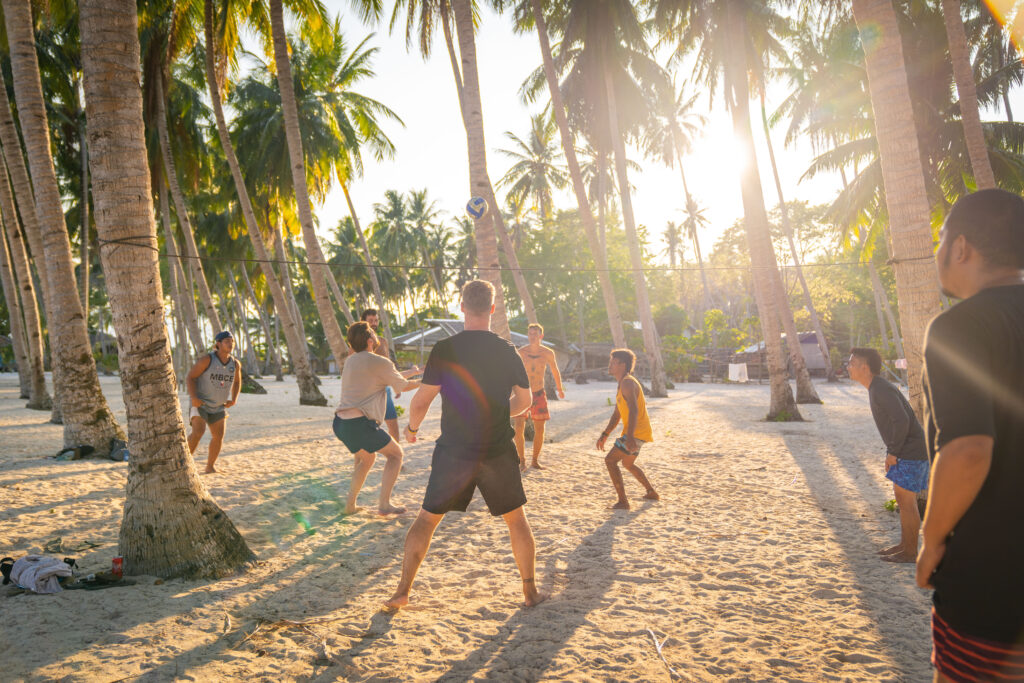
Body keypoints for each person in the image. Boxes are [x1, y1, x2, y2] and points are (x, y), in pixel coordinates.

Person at [916, 189, 1024, 681]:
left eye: (941, 239)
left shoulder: (961, 327)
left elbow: (966, 451)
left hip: (994, 581)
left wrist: (932, 538)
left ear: (960, 248)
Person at [385, 280, 544, 610]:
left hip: (454, 451)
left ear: (461, 307)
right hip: (497, 449)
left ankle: (402, 591)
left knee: (427, 520)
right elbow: (525, 401)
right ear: (492, 308)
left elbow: (421, 401)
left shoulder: (445, 349)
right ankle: (529, 591)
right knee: (517, 521)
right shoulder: (506, 351)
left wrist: (412, 429)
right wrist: (502, 412)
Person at [848, 347, 929, 563]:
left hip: (910, 451)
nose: (848, 367)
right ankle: (905, 545)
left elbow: (902, 420)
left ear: (864, 367)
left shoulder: (880, 389)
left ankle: (911, 552)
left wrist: (893, 452)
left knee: (907, 501)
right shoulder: (877, 387)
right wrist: (891, 451)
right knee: (903, 501)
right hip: (908, 449)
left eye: (851, 363)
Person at [335, 321, 420, 515]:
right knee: (396, 455)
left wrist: (413, 374)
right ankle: (384, 504)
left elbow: (390, 377)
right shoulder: (379, 362)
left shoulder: (351, 361)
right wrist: (426, 382)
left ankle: (349, 506)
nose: (376, 335)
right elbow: (403, 385)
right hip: (359, 424)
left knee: (367, 459)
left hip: (340, 423)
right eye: (373, 333)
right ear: (370, 340)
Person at [596, 349, 658, 510]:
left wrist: (630, 438)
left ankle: (623, 501)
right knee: (628, 464)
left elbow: (634, 410)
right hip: (638, 432)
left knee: (610, 460)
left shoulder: (628, 383)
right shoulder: (622, 383)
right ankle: (651, 492)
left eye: (613, 362)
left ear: (623, 365)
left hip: (636, 432)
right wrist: (605, 434)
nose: (610, 365)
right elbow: (617, 414)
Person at [186, 331, 241, 474]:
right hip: (200, 403)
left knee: (218, 436)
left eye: (232, 341)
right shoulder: (207, 360)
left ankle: (210, 466)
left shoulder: (234, 364)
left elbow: (237, 381)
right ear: (218, 344)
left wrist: (234, 399)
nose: (231, 344)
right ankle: (185, 463)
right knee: (198, 432)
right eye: (227, 341)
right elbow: (190, 377)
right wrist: (194, 398)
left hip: (218, 406)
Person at [513, 323, 565, 471]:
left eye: (535, 334)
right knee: (518, 427)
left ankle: (535, 460)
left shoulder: (548, 353)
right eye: (530, 334)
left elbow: (555, 370)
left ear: (541, 336)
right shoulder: (521, 352)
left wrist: (559, 388)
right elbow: (513, 371)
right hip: (522, 391)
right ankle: (521, 460)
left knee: (540, 429)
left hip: (538, 392)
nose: (532, 337)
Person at [361, 308, 401, 440]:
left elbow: (389, 366)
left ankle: (396, 456)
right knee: (365, 428)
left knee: (393, 425)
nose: (374, 323)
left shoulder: (383, 341)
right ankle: (360, 460)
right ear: (363, 322)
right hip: (366, 392)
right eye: (371, 320)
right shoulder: (357, 343)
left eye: (376, 320)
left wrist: (396, 384)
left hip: (384, 390)